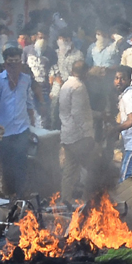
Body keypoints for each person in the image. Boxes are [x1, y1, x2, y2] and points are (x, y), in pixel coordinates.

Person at [0, 47, 34, 199]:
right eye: (11, 62)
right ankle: (9, 195)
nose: (14, 66)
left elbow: (29, 103)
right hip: (3, 131)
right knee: (7, 167)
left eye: (17, 62)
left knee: (21, 164)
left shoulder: (26, 79)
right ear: (5, 64)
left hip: (22, 129)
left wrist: (33, 125)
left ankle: (21, 198)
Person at [58, 60, 95, 202]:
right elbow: (78, 114)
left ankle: (65, 200)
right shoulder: (79, 87)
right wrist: (87, 135)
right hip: (78, 137)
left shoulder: (66, 85)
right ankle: (89, 201)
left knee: (70, 169)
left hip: (67, 133)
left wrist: (97, 114)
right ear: (85, 73)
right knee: (92, 168)